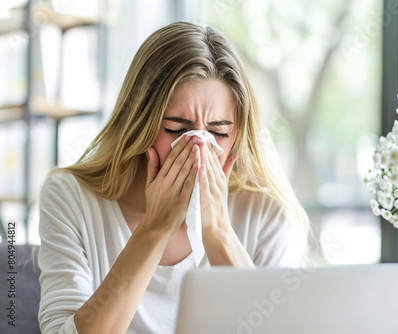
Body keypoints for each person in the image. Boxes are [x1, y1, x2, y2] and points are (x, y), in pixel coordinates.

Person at [38, 22, 309, 334]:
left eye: (218, 132)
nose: (198, 149)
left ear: (237, 136)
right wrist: (154, 229)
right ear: (139, 124)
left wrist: (218, 232)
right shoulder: (70, 198)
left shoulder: (265, 214)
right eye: (177, 130)